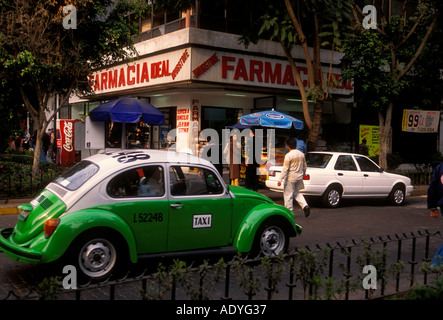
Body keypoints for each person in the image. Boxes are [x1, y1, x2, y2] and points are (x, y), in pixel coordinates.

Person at [277, 138, 310, 217]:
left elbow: (285, 169)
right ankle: (305, 206)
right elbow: (305, 166)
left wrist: (280, 179)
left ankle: (289, 213)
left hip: (290, 178)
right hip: (299, 177)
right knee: (296, 193)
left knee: (288, 196)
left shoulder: (288, 155)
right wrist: (303, 175)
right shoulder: (301, 154)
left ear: (288, 146)